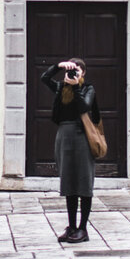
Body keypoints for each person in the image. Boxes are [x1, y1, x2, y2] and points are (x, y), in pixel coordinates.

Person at [41, 57, 99, 243]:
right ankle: (72, 226)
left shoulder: (88, 88)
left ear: (83, 73)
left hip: (82, 136)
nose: (74, 73)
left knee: (83, 182)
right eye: (71, 70)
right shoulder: (60, 88)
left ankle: (83, 229)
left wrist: (75, 86)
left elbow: (84, 107)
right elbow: (44, 78)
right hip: (64, 136)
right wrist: (58, 66)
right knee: (69, 183)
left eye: (78, 71)